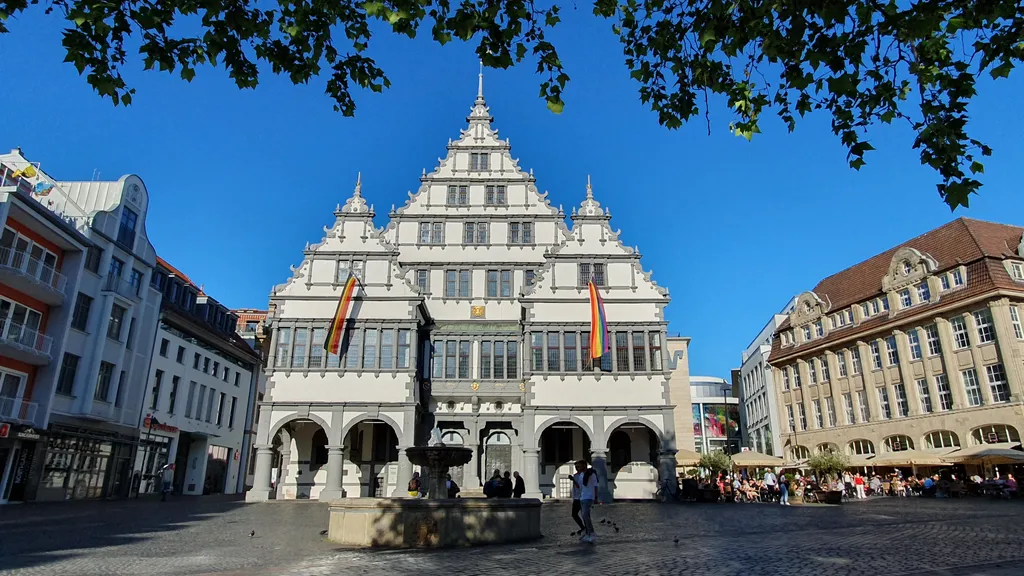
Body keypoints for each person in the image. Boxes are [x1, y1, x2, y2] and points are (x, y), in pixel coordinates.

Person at [574, 460, 599, 543]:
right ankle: (588, 533)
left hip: (589, 497)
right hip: (582, 497)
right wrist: (573, 480)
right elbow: (579, 486)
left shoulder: (591, 474)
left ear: (584, 466)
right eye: (576, 467)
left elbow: (595, 486)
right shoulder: (581, 475)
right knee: (584, 515)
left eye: (579, 466)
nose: (577, 468)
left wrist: (596, 497)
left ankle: (591, 533)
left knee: (585, 514)